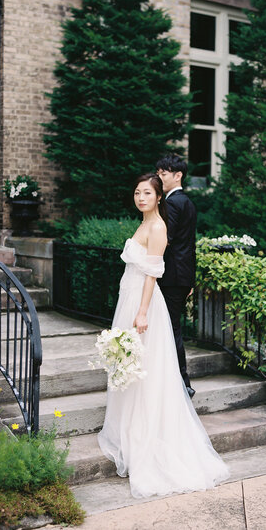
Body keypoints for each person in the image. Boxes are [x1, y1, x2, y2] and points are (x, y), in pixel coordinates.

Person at [98, 173, 230, 499]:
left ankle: (148, 433)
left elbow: (152, 274)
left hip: (143, 303)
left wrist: (142, 312)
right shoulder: (143, 223)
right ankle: (129, 427)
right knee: (130, 365)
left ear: (159, 197)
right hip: (128, 297)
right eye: (137, 192)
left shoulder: (158, 227)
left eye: (147, 193)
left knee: (147, 368)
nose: (141, 197)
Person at [156, 154, 196, 398]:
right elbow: (190, 244)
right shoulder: (187, 202)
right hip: (181, 277)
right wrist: (190, 279)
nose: (159, 177)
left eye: (163, 173)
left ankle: (183, 383)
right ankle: (179, 381)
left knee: (171, 329)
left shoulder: (172, 203)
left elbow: (166, 241)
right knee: (172, 328)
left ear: (178, 175)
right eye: (158, 173)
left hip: (170, 276)